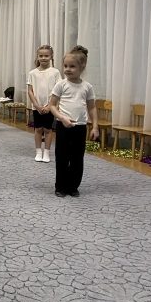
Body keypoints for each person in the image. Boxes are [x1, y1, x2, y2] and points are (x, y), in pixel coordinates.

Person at [49, 46, 98, 198]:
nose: (68, 69)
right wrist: (62, 118)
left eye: (72, 66)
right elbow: (52, 105)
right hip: (63, 126)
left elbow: (92, 108)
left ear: (82, 67)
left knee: (77, 158)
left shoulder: (87, 87)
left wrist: (95, 127)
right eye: (65, 66)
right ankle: (60, 186)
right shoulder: (61, 85)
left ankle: (73, 186)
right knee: (62, 157)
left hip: (80, 127)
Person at [27, 44, 62, 162]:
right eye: (41, 56)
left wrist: (49, 105)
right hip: (37, 106)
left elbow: (58, 90)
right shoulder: (32, 73)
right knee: (38, 129)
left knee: (48, 130)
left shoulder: (55, 72)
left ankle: (46, 152)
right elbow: (30, 91)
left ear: (51, 56)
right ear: (37, 57)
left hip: (50, 107)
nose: (43, 58)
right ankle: (38, 151)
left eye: (46, 56)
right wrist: (36, 105)